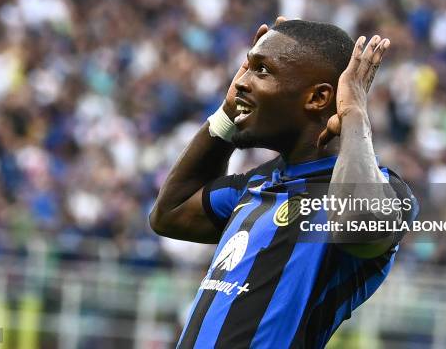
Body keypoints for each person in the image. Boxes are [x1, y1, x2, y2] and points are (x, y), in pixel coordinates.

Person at [150, 17, 418, 348]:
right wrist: (227, 113)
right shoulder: (257, 182)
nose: (241, 82)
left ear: (318, 98)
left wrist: (355, 115)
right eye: (247, 67)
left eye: (262, 71)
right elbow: (170, 213)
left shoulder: (385, 190)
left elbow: (358, 226)